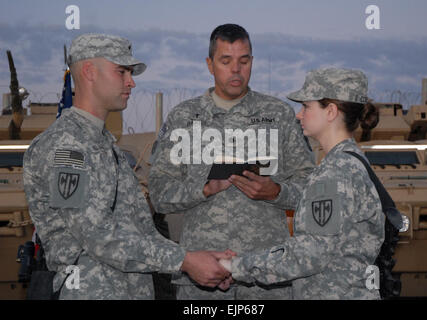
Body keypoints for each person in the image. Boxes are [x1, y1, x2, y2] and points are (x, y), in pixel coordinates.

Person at [22, 33, 232, 300]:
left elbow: (142, 232)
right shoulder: (66, 147)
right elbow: (97, 236)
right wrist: (185, 260)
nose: (131, 82)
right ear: (89, 72)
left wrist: (198, 263)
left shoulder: (107, 147)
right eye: (121, 71)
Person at [148, 24, 315, 299]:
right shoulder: (184, 118)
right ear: (210, 64)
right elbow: (159, 193)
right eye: (226, 61)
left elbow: (309, 188)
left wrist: (276, 192)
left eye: (244, 60)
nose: (236, 70)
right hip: (203, 278)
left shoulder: (278, 115)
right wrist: (203, 190)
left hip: (266, 278)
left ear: (252, 62)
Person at [224, 67, 385, 299]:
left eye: (306, 106)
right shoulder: (348, 162)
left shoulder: (336, 173)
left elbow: (308, 255)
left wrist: (235, 266)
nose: (299, 115)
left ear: (330, 111)